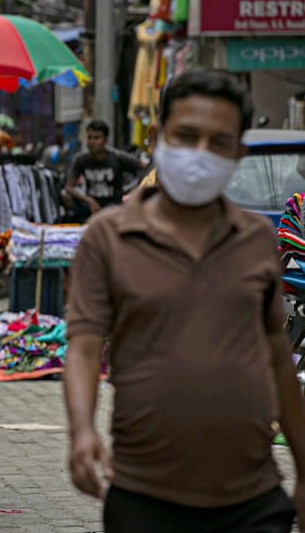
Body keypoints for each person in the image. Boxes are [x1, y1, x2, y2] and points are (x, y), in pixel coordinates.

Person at [64, 68, 305, 533]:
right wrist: (81, 431)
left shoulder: (256, 240)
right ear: (157, 138)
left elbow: (278, 362)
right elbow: (84, 346)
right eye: (186, 136)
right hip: (144, 495)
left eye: (218, 142)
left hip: (253, 499)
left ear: (237, 152)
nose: (199, 154)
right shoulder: (107, 238)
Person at [64, 120, 146, 220]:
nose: (92, 142)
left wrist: (132, 191)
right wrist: (89, 200)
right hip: (90, 207)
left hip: (114, 207)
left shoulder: (117, 157)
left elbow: (144, 168)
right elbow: (69, 187)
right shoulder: (81, 159)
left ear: (105, 140)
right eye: (89, 138)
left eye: (97, 138)